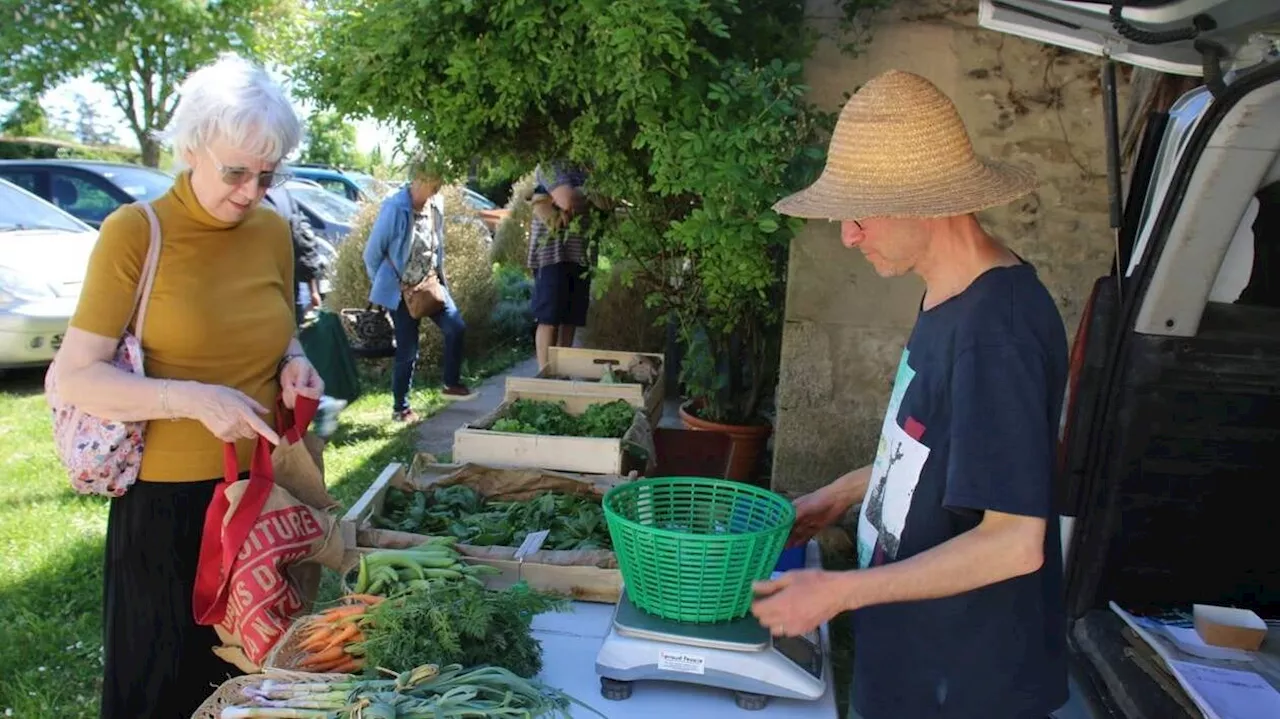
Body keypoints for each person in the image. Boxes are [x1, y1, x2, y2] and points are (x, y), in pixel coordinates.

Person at [750, 70, 1069, 719]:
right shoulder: (949, 295)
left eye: (858, 214)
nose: (848, 235)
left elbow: (1013, 540)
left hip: (965, 685)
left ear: (926, 201)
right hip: (915, 664)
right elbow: (941, 452)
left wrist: (839, 591)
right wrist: (841, 495)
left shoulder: (997, 333)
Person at [48, 53, 324, 718]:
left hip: (262, 499)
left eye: (268, 174)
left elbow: (274, 327)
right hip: (168, 514)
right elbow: (75, 375)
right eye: (236, 171)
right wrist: (192, 398)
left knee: (256, 691)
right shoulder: (135, 233)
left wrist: (294, 361)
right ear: (191, 146)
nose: (252, 190)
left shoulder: (274, 231)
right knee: (163, 691)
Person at [364, 157, 474, 422]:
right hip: (401, 291)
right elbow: (371, 255)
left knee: (456, 327)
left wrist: (438, 274)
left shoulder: (437, 204)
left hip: (431, 283)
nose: (436, 189)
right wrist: (387, 286)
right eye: (433, 183)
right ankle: (400, 408)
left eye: (439, 183)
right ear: (418, 179)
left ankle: (450, 383)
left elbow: (438, 244)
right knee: (408, 350)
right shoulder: (394, 208)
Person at [262, 183, 346, 438]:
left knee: (279, 359)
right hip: (287, 293)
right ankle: (316, 406)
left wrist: (310, 288)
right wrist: (312, 287)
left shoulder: (269, 204)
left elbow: (303, 242)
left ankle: (316, 407)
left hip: (279, 294)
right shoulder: (282, 195)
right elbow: (306, 243)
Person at [528, 162, 594, 369]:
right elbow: (567, 200)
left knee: (571, 317)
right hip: (551, 254)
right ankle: (545, 375)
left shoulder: (590, 165)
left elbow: (608, 200)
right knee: (549, 318)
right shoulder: (551, 165)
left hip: (582, 252)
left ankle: (562, 372)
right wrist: (590, 198)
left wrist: (562, 200)